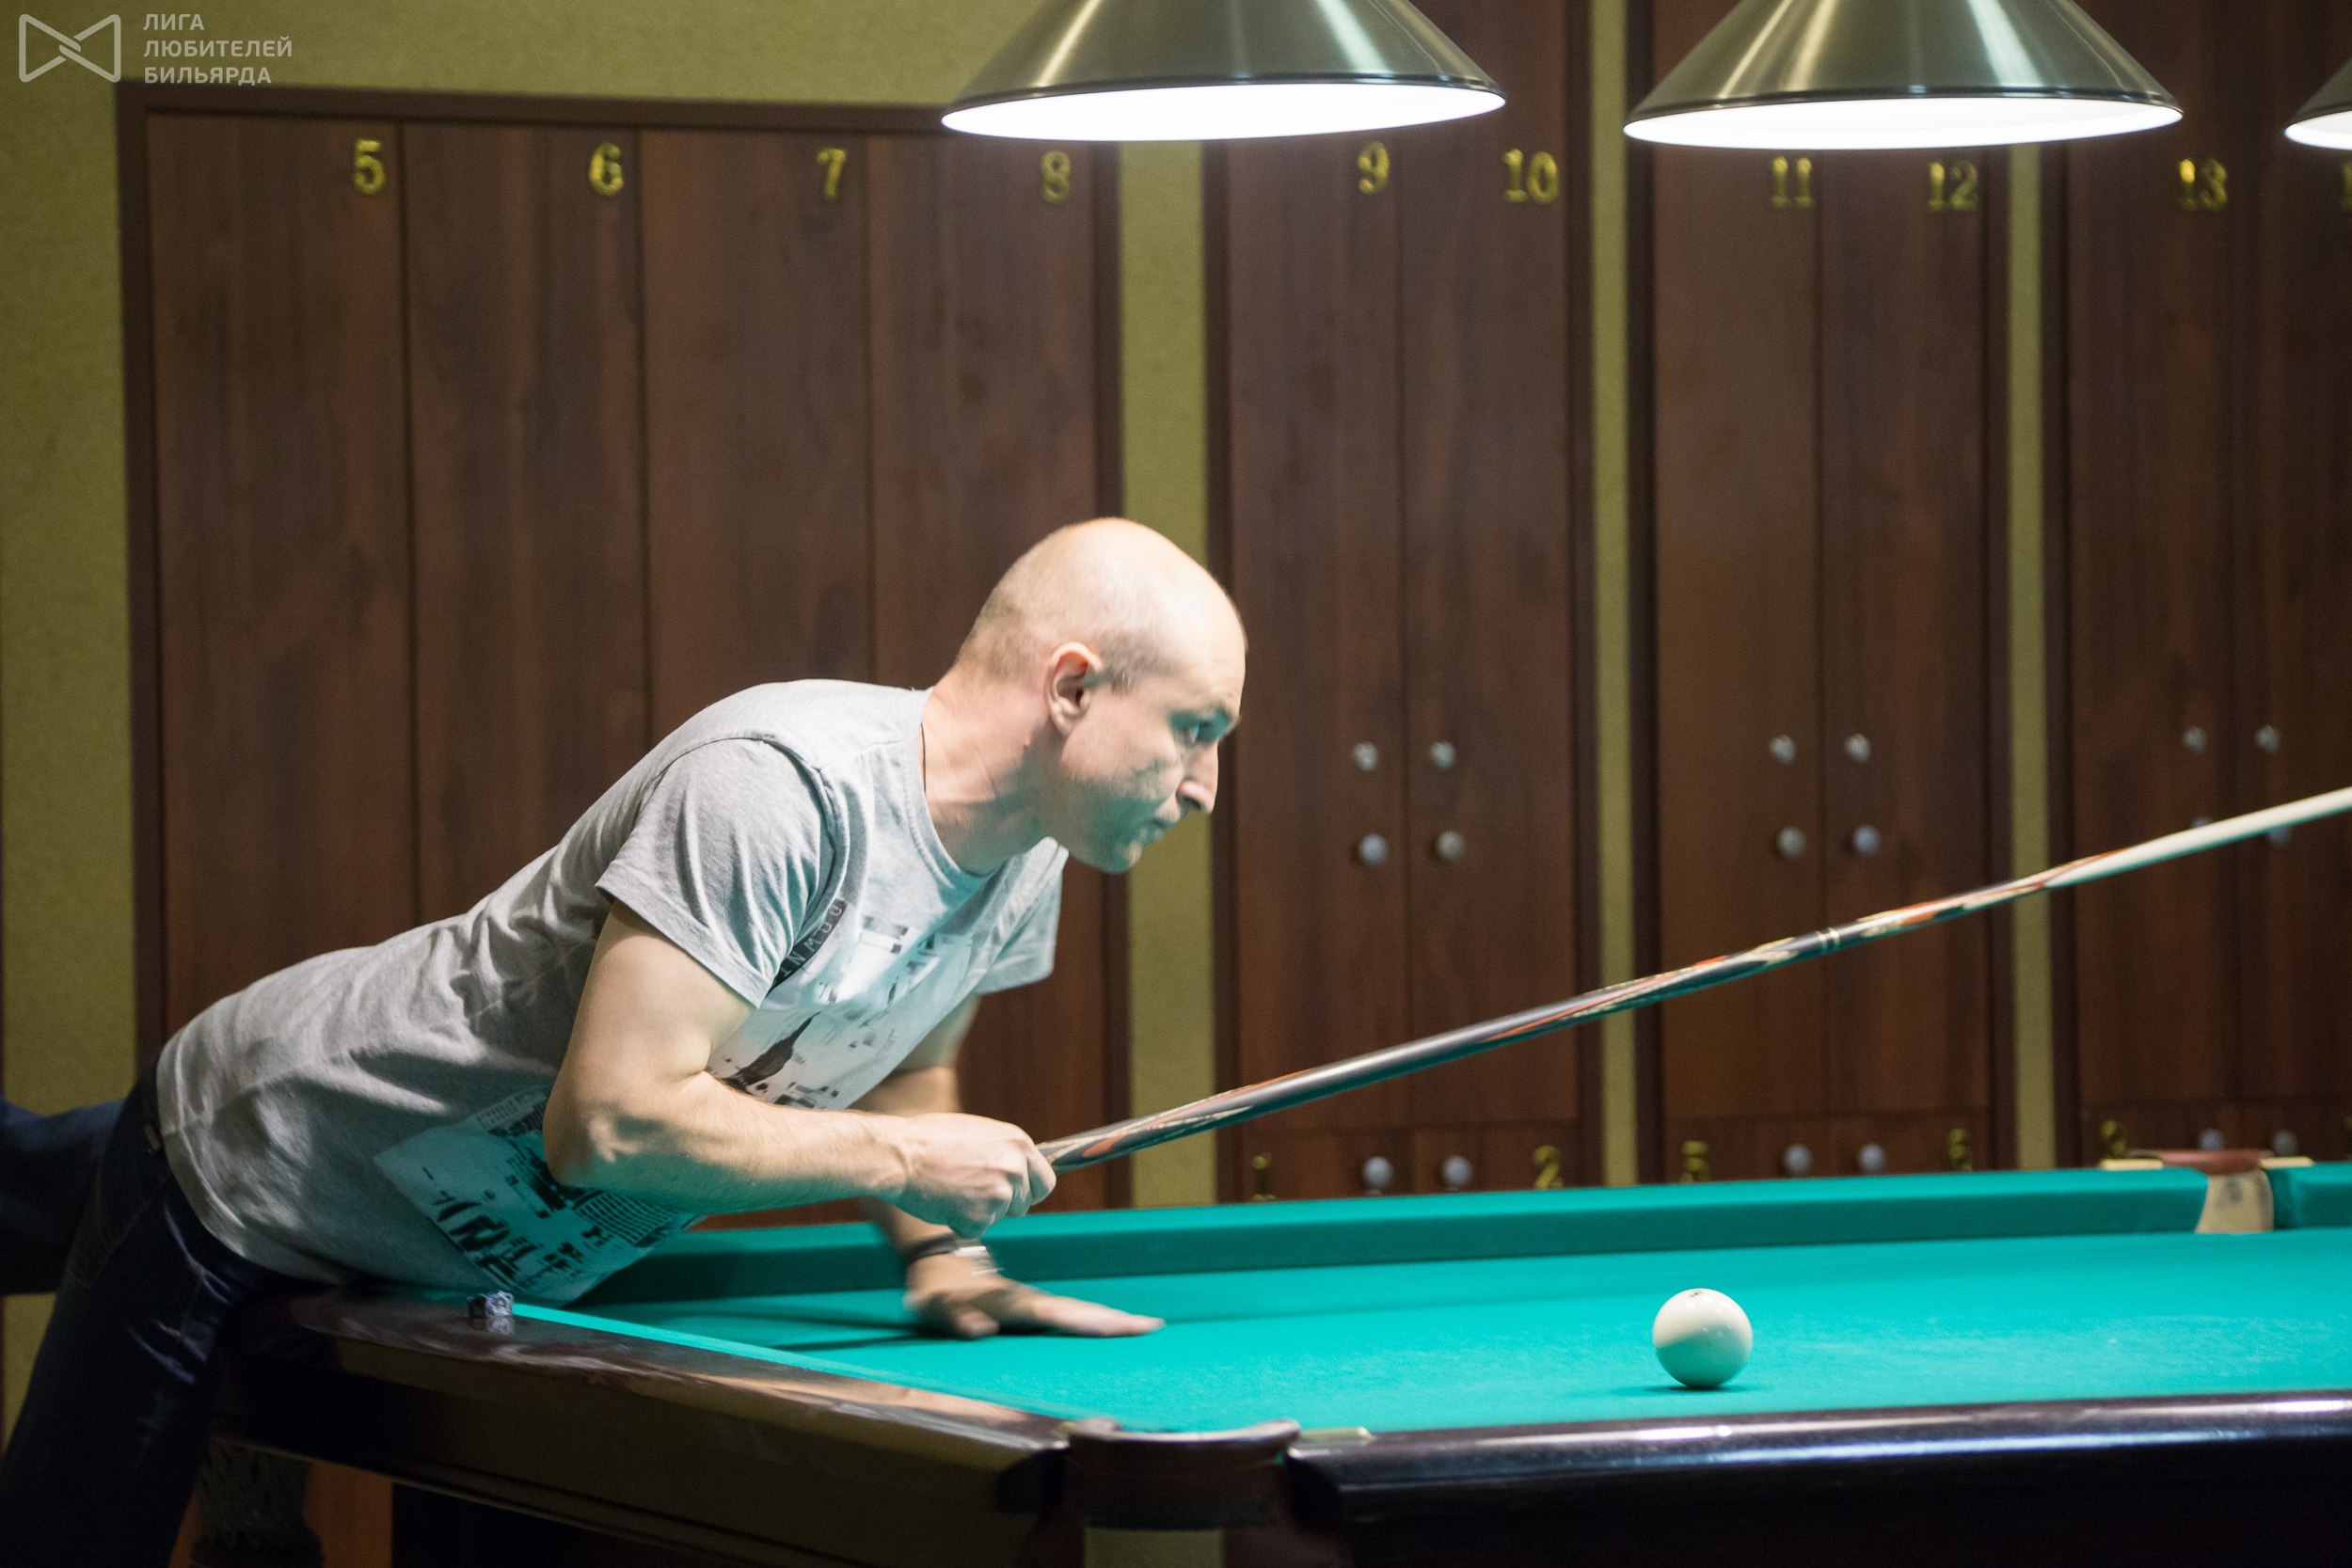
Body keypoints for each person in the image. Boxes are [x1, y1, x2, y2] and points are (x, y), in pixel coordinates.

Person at [0, 517, 1246, 1566]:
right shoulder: (779, 789)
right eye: (1194, 730)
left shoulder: (1025, 862)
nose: (1203, 789)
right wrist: (913, 1166)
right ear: (1072, 689)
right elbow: (608, 1122)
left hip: (429, 1232)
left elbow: (905, 1064)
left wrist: (942, 1256)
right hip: (253, 1161)